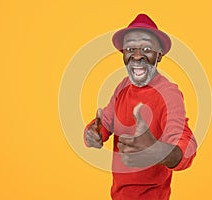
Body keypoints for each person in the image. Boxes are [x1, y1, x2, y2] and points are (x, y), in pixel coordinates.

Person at [84, 14, 197, 200]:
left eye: (146, 48)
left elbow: (186, 145)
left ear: (159, 55)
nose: (137, 56)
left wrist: (158, 152)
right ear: (124, 54)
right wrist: (93, 133)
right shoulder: (122, 87)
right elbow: (105, 123)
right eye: (130, 49)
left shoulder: (169, 94)